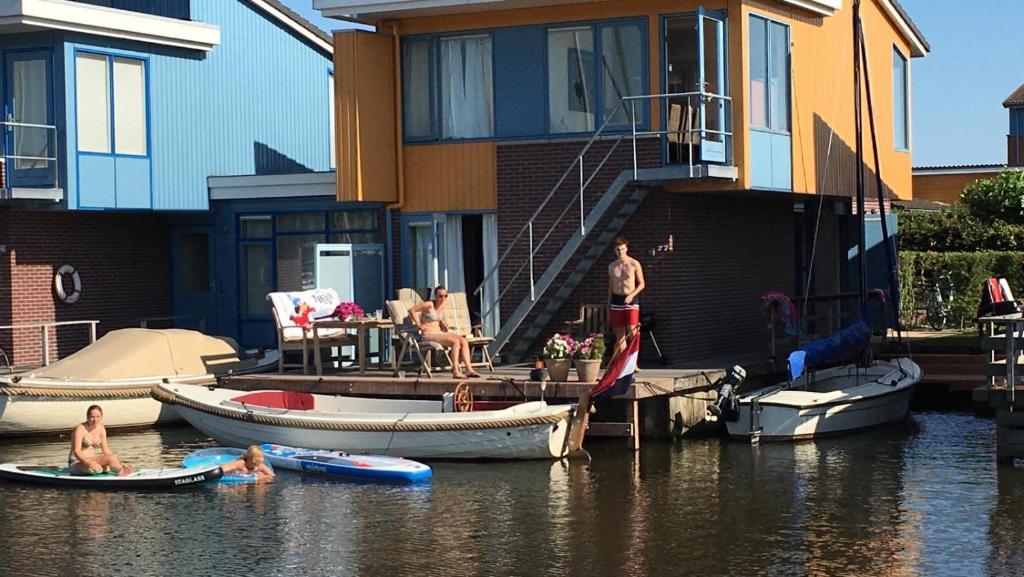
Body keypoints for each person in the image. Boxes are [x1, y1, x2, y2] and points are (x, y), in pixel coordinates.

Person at [409, 285, 481, 379]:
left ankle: (469, 369)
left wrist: (443, 323)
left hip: (439, 332)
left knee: (463, 340)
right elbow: (411, 310)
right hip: (429, 334)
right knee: (455, 342)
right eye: (440, 296)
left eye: (445, 296)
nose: (443, 298)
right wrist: (419, 324)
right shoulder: (429, 304)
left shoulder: (442, 306)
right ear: (435, 296)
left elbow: (438, 319)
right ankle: (455, 370)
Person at [68, 405, 135, 476]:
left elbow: (106, 449)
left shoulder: (101, 429)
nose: (95, 420)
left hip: (92, 459)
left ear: (101, 417)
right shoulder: (80, 429)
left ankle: (121, 469)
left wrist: (117, 462)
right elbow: (77, 451)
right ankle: (106, 469)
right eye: (92, 417)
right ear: (87, 417)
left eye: (97, 417)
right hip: (78, 462)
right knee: (98, 469)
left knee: (112, 457)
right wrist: (88, 462)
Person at [608, 236, 646, 360]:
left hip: (631, 299)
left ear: (626, 249)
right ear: (615, 250)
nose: (621, 252)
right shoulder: (612, 266)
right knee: (620, 333)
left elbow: (642, 284)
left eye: (623, 249)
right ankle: (624, 362)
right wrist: (609, 304)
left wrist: (631, 295)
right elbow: (611, 286)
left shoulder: (634, 263)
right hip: (617, 300)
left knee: (632, 331)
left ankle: (634, 361)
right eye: (618, 250)